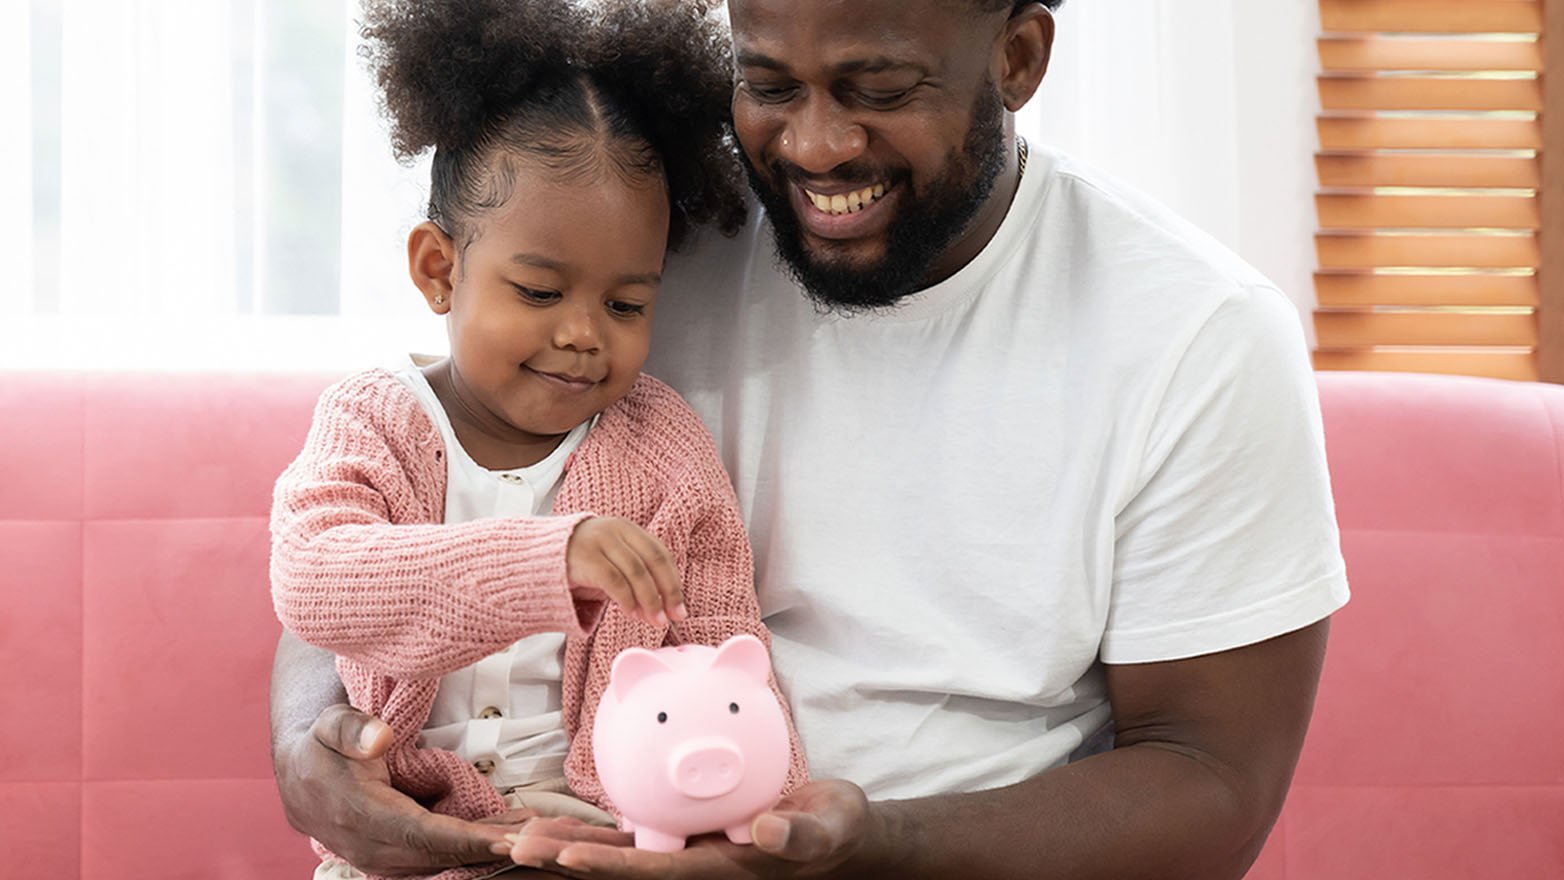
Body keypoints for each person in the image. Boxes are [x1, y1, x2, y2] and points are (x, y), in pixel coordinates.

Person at [270, 1, 1351, 877]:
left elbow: (1212, 785)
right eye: (768, 83)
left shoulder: (1195, 338)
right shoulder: (638, 231)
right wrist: (311, 753)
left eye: (878, 88)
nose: (817, 146)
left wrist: (867, 845)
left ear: (1018, 55)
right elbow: (390, 518)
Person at [267, 1, 808, 877]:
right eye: (540, 292)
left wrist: (769, 815)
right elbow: (315, 581)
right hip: (405, 830)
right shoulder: (376, 421)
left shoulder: (664, 448)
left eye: (627, 304)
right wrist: (547, 563)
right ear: (439, 270)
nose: (585, 334)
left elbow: (722, 647)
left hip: (603, 837)